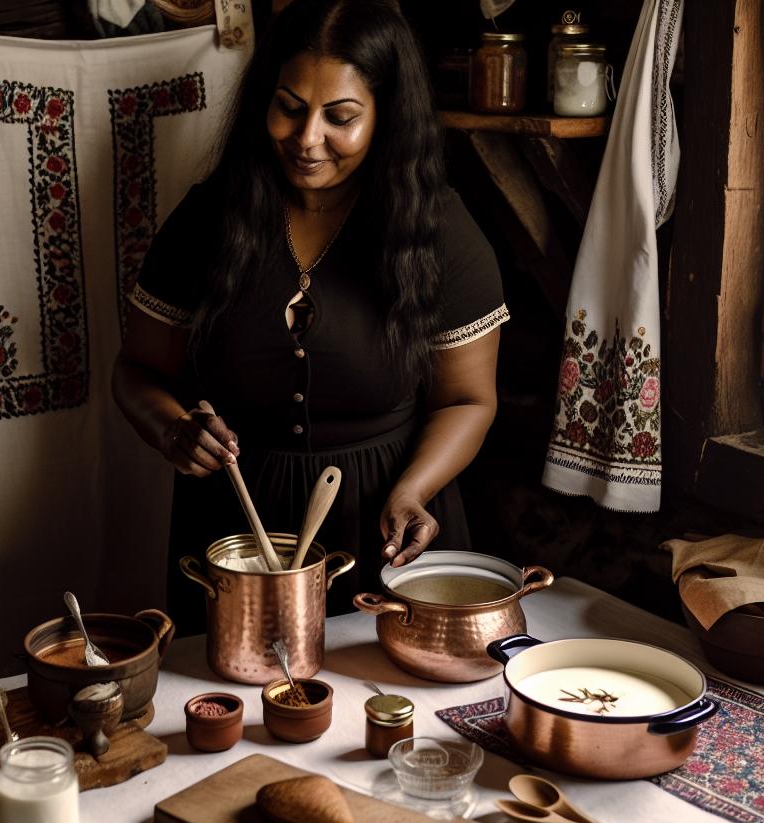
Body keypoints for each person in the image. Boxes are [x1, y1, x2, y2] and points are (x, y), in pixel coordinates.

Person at [113, 0, 507, 626]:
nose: (306, 139)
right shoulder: (209, 219)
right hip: (235, 536)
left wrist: (413, 490)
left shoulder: (437, 233)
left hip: (385, 532)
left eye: (341, 117)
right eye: (290, 107)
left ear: (386, 117)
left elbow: (468, 400)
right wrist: (172, 429)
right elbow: (136, 370)